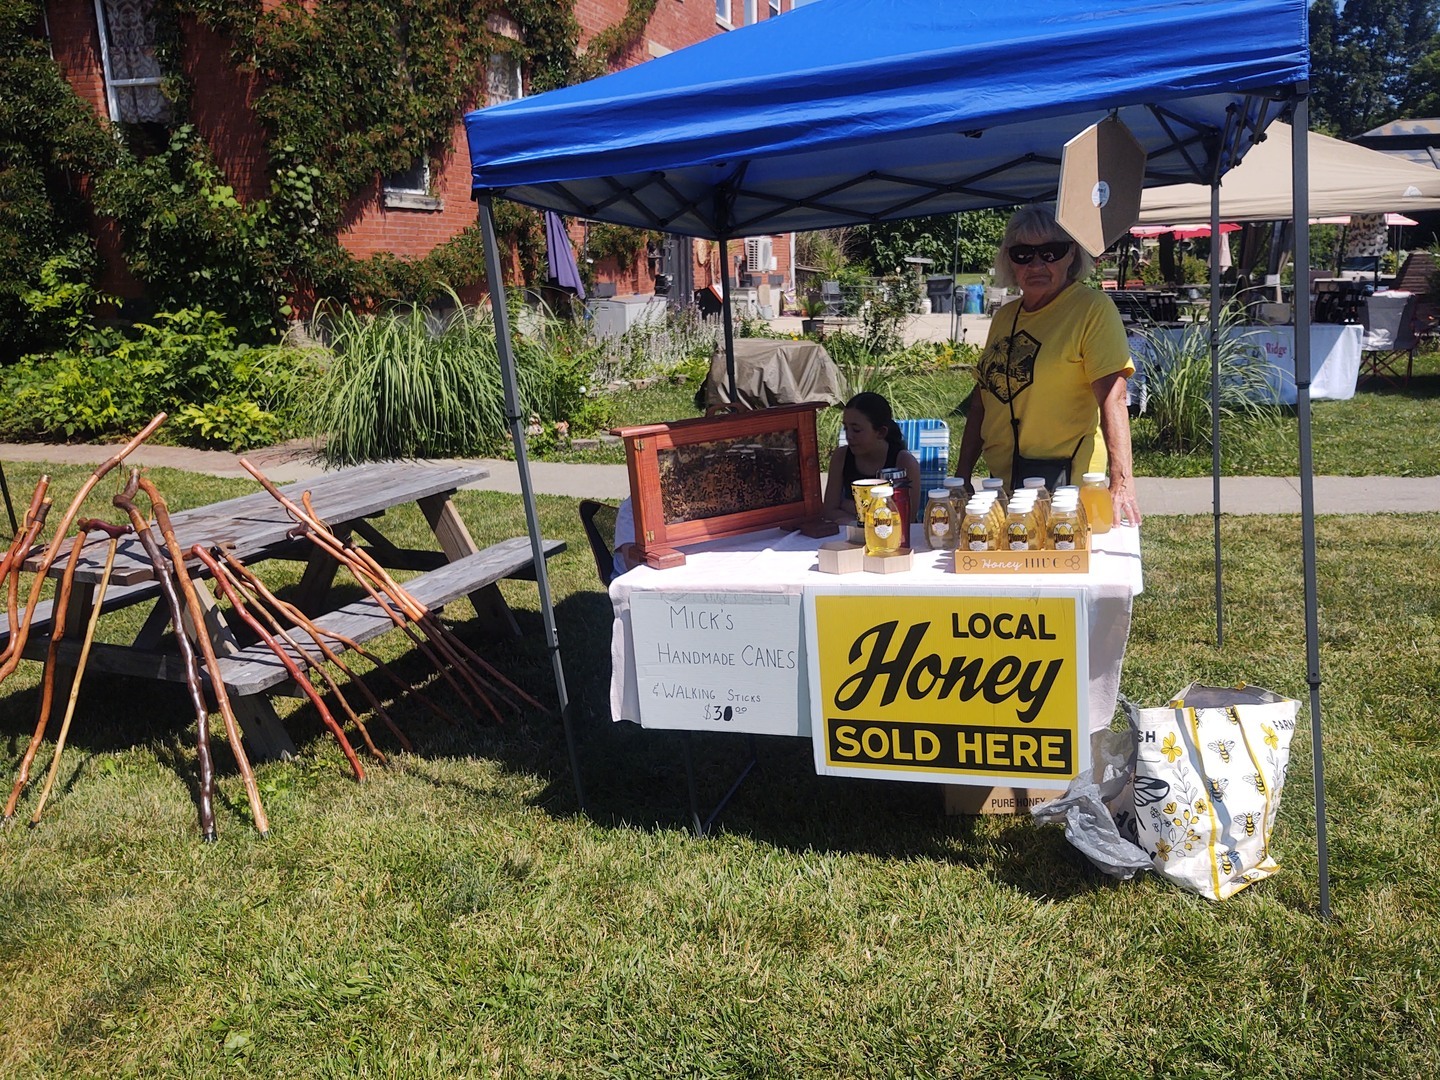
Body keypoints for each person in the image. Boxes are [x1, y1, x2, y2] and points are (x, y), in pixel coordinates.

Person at [955, 205, 1143, 526]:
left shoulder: (1090, 309)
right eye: (1023, 254)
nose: (1037, 264)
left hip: (1069, 485)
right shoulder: (1004, 317)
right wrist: (961, 477)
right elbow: (982, 400)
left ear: (1071, 255)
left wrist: (1121, 483)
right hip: (1004, 484)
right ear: (1009, 260)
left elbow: (1114, 396)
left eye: (1051, 252)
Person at [822, 392, 922, 525]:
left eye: (856, 430)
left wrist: (848, 505)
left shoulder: (904, 463)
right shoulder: (841, 457)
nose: (849, 436)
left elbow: (906, 517)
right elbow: (829, 511)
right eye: (846, 428)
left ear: (880, 432)